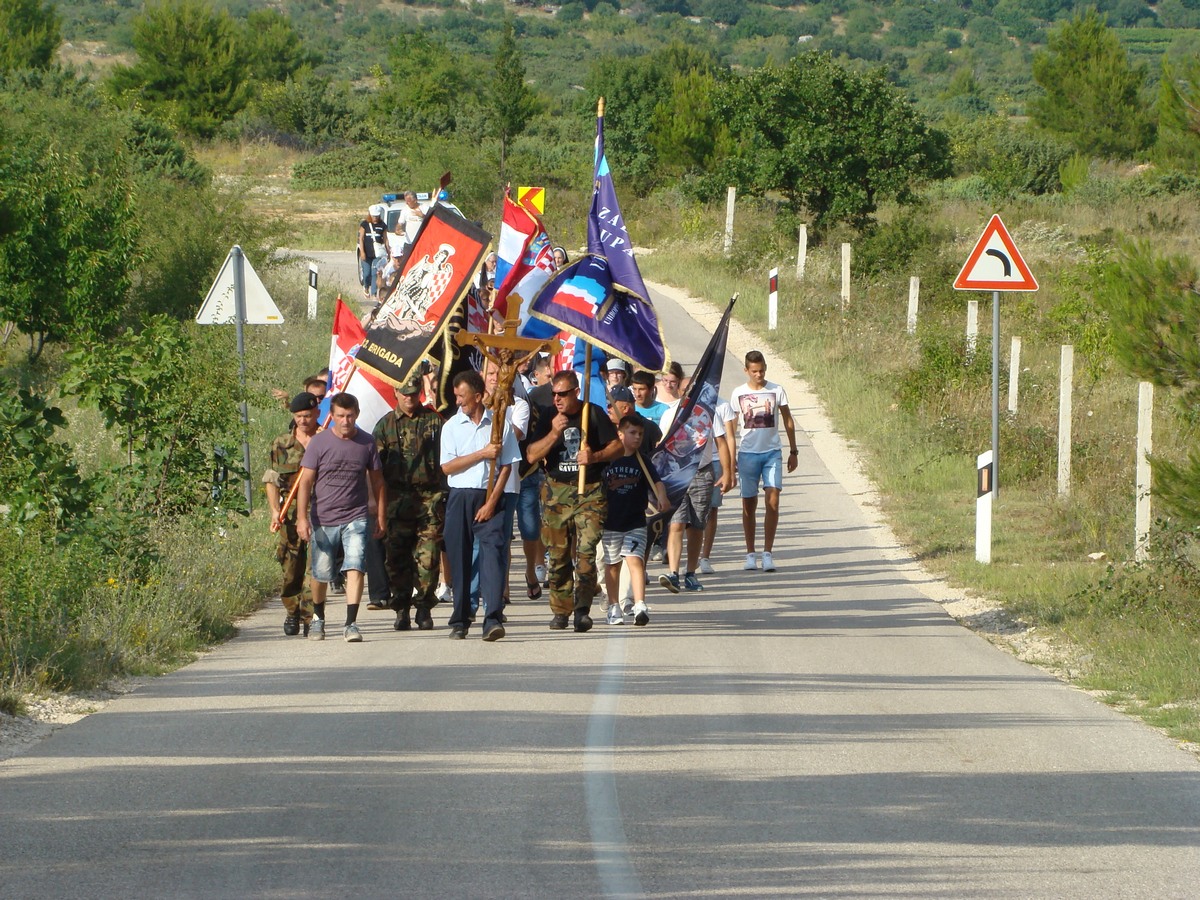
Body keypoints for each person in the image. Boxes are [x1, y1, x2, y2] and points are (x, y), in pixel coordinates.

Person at [526, 370, 623, 632]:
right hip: (556, 492)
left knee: (586, 553)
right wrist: (553, 434)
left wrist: (595, 456)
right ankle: (561, 610)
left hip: (588, 491)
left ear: (575, 392)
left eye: (563, 394)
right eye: (554, 394)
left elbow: (618, 447)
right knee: (557, 557)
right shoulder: (548, 416)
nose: (557, 399)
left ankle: (582, 610)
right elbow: (532, 455)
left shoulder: (591, 413)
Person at [295, 393, 387, 642]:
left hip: (356, 516)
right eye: (340, 416)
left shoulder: (367, 443)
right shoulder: (319, 443)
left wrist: (380, 514)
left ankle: (351, 623)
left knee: (356, 565)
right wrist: (301, 519)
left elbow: (378, 482)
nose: (345, 421)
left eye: (350, 416)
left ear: (356, 414)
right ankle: (318, 618)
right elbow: (305, 483)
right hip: (323, 517)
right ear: (332, 416)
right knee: (321, 572)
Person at [440, 371, 519, 641]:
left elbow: (507, 466)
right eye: (456, 396)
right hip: (460, 496)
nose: (458, 400)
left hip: (491, 497)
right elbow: (448, 466)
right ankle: (460, 619)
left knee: (494, 557)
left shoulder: (499, 425)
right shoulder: (451, 426)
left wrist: (492, 502)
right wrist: (481, 454)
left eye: (462, 395)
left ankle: (493, 618)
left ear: (477, 396)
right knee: (460, 558)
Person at [373, 375, 446, 631]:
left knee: (428, 557)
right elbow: (374, 468)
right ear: (396, 392)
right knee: (397, 557)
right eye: (405, 393)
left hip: (429, 499)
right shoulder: (385, 425)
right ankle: (401, 607)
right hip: (396, 500)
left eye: (414, 394)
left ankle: (424, 607)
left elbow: (449, 453)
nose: (409, 398)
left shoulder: (434, 421)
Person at [657, 376, 733, 593]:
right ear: (680, 392)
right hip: (677, 474)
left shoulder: (707, 413)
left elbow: (721, 441)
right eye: (685, 390)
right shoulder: (670, 414)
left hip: (702, 473)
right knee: (676, 523)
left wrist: (727, 473)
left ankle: (690, 572)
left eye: (693, 391)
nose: (689, 394)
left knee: (697, 524)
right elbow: (661, 446)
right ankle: (673, 573)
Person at [730, 350, 798, 572]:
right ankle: (751, 553)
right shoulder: (738, 393)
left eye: (762, 370)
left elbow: (787, 419)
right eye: (754, 371)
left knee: (773, 500)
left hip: (772, 452)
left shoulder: (776, 390)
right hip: (748, 453)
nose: (759, 375)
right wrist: (731, 458)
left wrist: (793, 450)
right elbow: (731, 425)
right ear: (747, 370)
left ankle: (768, 552)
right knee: (749, 504)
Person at [600, 416, 669, 627]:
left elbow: (657, 482)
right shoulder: (608, 459)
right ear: (620, 434)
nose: (638, 437)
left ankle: (640, 604)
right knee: (611, 565)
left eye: (640, 434)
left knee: (635, 561)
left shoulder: (642, 460)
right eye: (633, 433)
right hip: (610, 522)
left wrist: (662, 497)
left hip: (636, 521)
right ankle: (614, 606)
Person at [263, 392, 321, 637]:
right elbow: (271, 479)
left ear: (317, 413)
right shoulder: (282, 443)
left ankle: (310, 616)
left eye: (307, 416)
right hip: (290, 511)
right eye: (298, 416)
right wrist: (275, 510)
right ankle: (292, 610)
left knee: (315, 567)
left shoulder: (326, 439)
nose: (303, 421)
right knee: (290, 567)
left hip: (320, 511)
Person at [700, 397, 738, 574]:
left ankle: (705, 557)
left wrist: (729, 469)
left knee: (711, 509)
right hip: (694, 462)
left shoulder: (722, 406)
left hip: (716, 461)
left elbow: (729, 437)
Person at [358, 205, 389, 300]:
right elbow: (361, 238)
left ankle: (374, 292)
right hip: (367, 253)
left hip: (378, 254)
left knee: (375, 272)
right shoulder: (364, 224)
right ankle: (366, 287)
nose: (375, 218)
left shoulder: (382, 225)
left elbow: (385, 239)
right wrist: (362, 252)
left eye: (377, 216)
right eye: (373, 216)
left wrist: (388, 252)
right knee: (366, 273)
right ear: (370, 215)